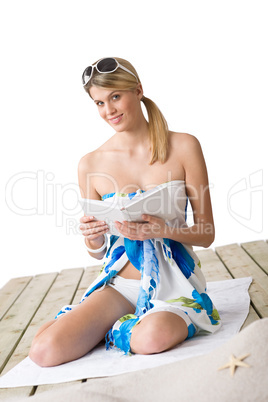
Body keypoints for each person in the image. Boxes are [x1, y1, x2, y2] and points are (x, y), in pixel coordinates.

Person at [29, 57, 221, 367]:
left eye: (115, 97)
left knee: (151, 339)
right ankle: (100, 321)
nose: (109, 111)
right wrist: (92, 239)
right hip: (120, 285)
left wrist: (161, 229)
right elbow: (97, 253)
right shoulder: (90, 163)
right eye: (99, 103)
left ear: (138, 91)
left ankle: (116, 328)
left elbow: (207, 234)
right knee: (43, 352)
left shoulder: (184, 146)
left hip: (175, 285)